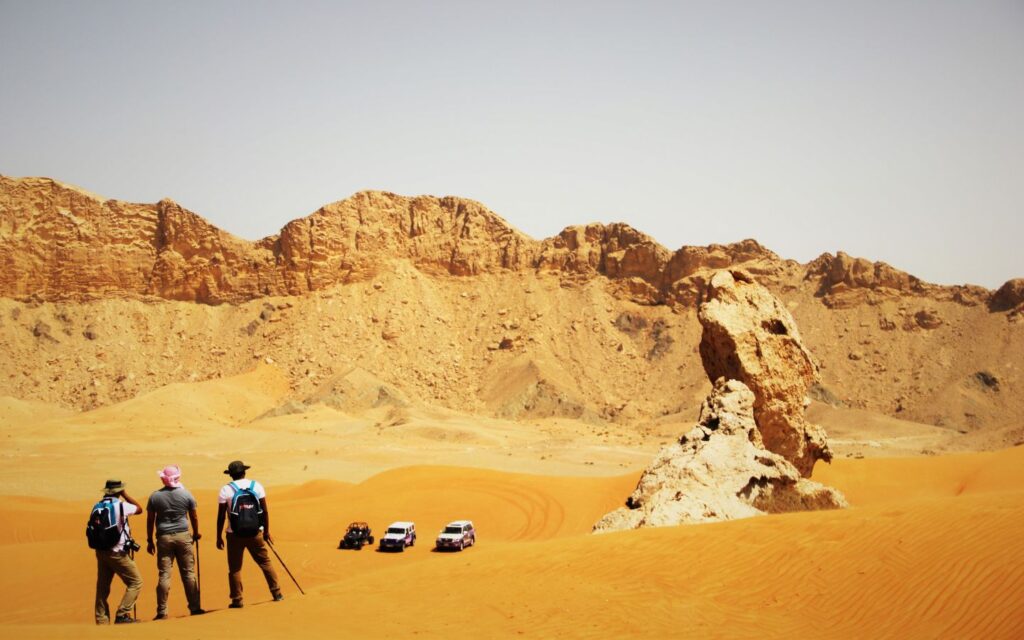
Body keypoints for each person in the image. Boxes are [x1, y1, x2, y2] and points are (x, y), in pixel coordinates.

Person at [216, 460, 283, 608]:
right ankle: (277, 593)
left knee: (235, 569)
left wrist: (218, 536)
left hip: (234, 534)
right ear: (244, 472)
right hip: (255, 533)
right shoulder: (256, 486)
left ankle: (237, 600)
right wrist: (266, 531)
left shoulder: (226, 490)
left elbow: (221, 516)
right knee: (265, 562)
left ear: (231, 475)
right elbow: (264, 510)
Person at [146, 464, 205, 619]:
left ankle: (162, 611)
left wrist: (149, 540)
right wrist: (196, 533)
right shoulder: (186, 494)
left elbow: (150, 519)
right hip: (183, 536)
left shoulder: (155, 496)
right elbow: (194, 516)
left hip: (164, 537)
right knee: (188, 573)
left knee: (164, 574)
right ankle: (195, 607)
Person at [93, 479, 144, 625]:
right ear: (118, 491)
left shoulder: (97, 506)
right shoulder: (120, 505)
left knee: (102, 587)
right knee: (136, 582)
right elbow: (139, 509)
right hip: (117, 552)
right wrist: (125, 494)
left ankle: (101, 619)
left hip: (101, 551)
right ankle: (122, 614)